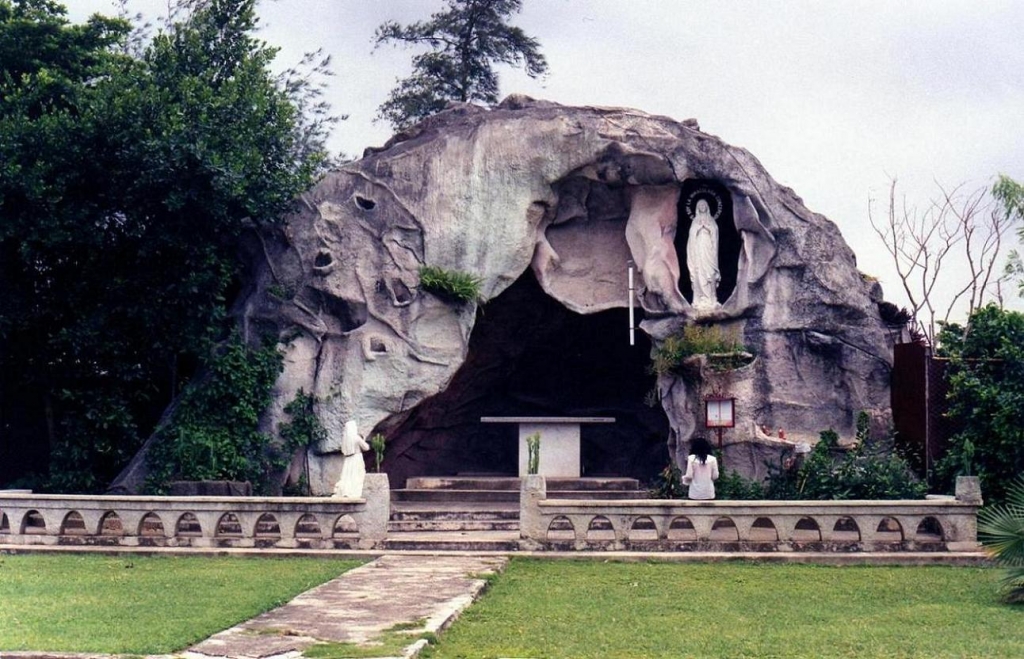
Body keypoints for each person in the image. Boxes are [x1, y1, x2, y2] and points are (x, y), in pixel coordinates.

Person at [686, 199, 720, 311]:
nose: (702, 207)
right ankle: (700, 299)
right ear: (697, 207)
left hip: (709, 249)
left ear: (707, 207)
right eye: (699, 205)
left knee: (710, 273)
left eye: (704, 205)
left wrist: (708, 228)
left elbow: (715, 232)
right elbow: (691, 235)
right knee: (699, 272)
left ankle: (711, 299)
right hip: (698, 249)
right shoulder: (695, 221)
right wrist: (698, 228)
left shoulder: (711, 220)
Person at [333, 419, 370, 499]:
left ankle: (345, 492)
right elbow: (366, 447)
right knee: (356, 476)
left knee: (347, 477)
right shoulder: (356, 438)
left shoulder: (345, 439)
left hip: (348, 460)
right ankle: (353, 492)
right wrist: (363, 439)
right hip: (356, 458)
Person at [682, 436, 719, 500]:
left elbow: (689, 476)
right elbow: (715, 476)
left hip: (694, 493)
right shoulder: (713, 459)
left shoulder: (691, 459)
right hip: (709, 493)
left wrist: (684, 479)